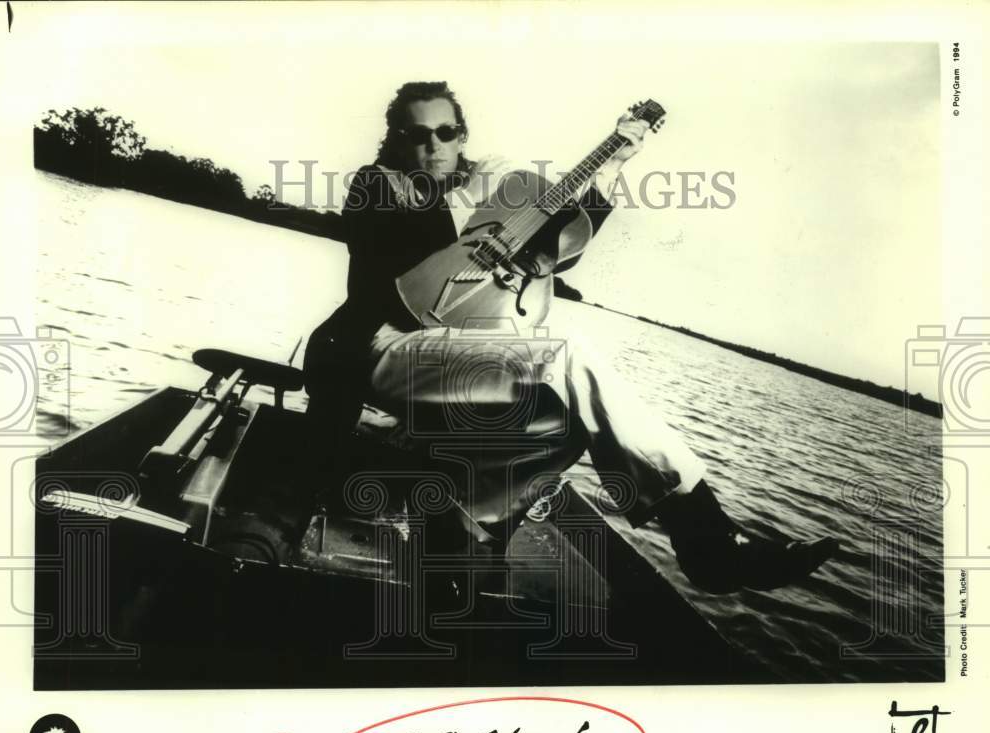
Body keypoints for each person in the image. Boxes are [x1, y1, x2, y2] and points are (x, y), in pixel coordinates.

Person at [304, 81, 838, 594]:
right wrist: (503, 211)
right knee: (569, 358)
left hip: (456, 351)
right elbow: (417, 236)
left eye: (446, 133)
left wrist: (610, 165)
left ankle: (473, 528)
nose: (433, 146)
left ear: (462, 135)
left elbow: (567, 238)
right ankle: (707, 535)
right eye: (417, 135)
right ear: (397, 138)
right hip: (378, 345)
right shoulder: (378, 183)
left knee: (566, 419)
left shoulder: (489, 180)